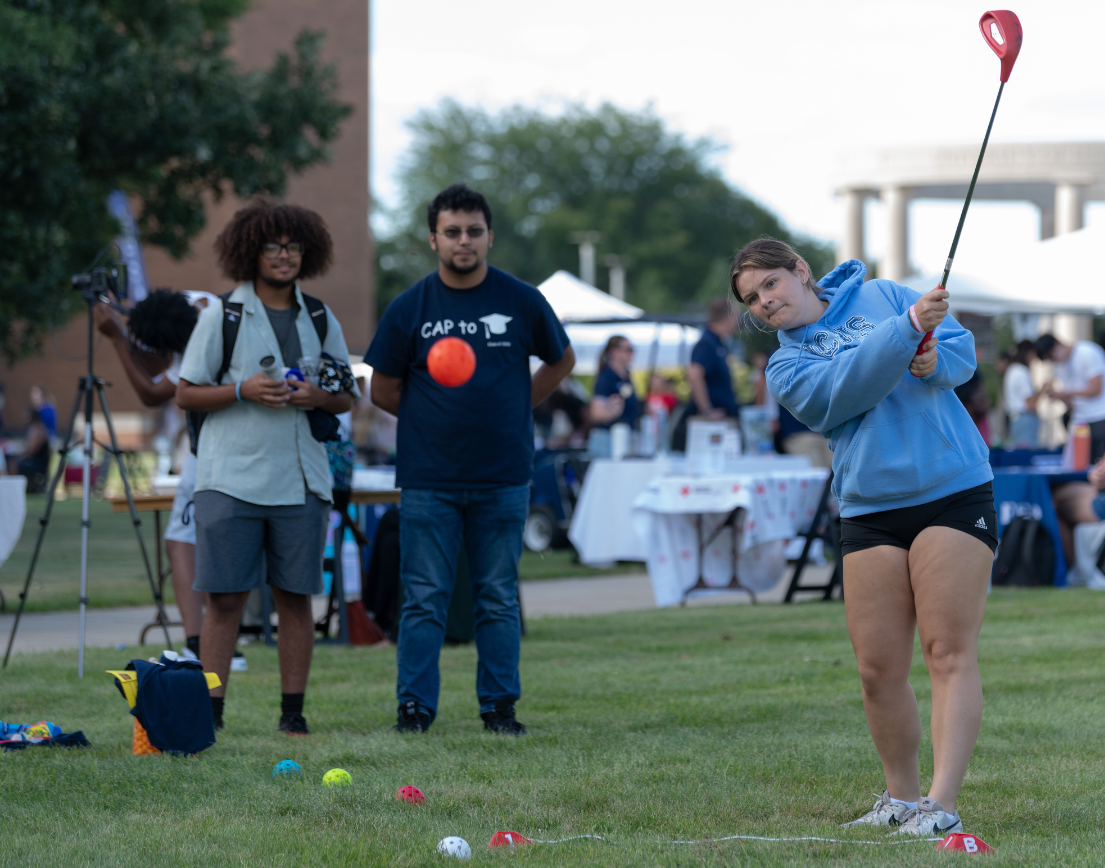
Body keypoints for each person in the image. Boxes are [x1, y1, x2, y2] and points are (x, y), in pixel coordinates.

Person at [733, 237, 994, 838]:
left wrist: (934, 361)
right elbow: (842, 394)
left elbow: (960, 353)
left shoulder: (881, 295)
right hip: (869, 507)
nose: (765, 302)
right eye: (752, 299)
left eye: (770, 284)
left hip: (952, 489)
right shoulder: (785, 365)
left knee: (947, 652)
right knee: (877, 669)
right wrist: (904, 333)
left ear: (800, 271)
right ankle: (899, 799)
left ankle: (941, 806)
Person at [366, 183, 574, 735]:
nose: (464, 241)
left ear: (489, 237)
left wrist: (516, 405)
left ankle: (499, 709)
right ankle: (414, 709)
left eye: (474, 231)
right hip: (429, 477)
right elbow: (381, 389)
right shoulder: (410, 306)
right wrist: (426, 419)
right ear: (434, 239)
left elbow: (561, 359)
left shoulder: (521, 299)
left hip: (503, 475)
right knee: (423, 598)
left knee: (498, 598)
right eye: (453, 232)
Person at [177, 201, 357, 736]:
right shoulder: (223, 315)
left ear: (308, 252)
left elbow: (347, 397)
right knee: (225, 599)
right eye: (273, 246)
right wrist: (242, 389)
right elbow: (185, 393)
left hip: (301, 479)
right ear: (250, 251)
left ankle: (292, 714)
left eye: (293, 246)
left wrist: (317, 396)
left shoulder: (321, 316)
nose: (284, 255)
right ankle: (210, 715)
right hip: (229, 479)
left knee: (295, 596)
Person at [95, 288, 216, 658]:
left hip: (212, 448)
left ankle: (200, 643)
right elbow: (156, 364)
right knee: (189, 539)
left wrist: (117, 337)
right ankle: (210, 640)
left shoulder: (200, 339)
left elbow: (152, 390)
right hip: (209, 446)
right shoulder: (192, 306)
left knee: (183, 541)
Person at [1037, 333, 1105, 464]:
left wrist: (1065, 394)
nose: (1053, 361)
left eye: (1051, 357)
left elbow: (1096, 389)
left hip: (1099, 417)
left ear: (1057, 346)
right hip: (1079, 421)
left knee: (1098, 467)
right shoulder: (1060, 366)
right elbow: (1073, 402)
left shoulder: (1088, 352)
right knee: (1081, 465)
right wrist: (1059, 397)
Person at [688, 298, 740, 420]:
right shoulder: (708, 343)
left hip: (719, 419)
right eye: (736, 316)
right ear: (728, 317)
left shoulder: (717, 343)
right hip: (712, 423)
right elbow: (694, 375)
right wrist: (707, 411)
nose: (737, 321)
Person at [587, 336, 639, 456]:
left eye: (632, 349)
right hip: (608, 440)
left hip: (624, 439)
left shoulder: (626, 376)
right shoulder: (606, 377)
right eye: (628, 349)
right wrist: (612, 412)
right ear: (613, 351)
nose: (631, 353)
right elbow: (595, 414)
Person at [1003, 340, 1039, 448]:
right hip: (1024, 419)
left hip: (1016, 419)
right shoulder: (1021, 371)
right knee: (1026, 455)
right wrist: (1042, 391)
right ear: (1028, 353)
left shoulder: (1012, 369)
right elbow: (1030, 405)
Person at [17, 408, 50, 493]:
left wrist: (23, 456)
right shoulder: (34, 429)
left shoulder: (38, 430)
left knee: (17, 464)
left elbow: (32, 451)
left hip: (39, 463)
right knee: (16, 462)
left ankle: (24, 488)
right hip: (36, 461)